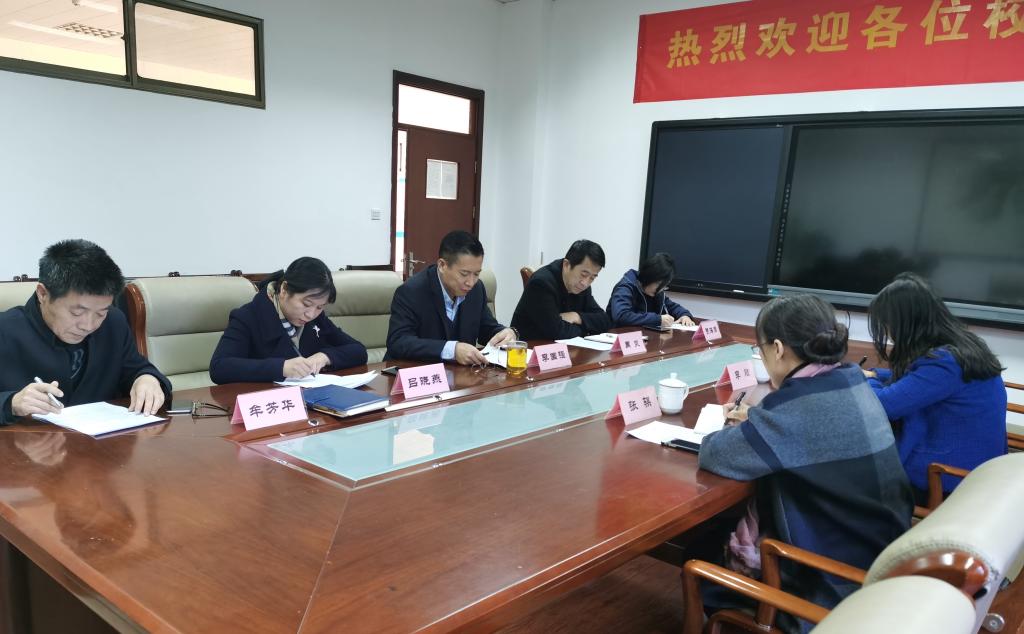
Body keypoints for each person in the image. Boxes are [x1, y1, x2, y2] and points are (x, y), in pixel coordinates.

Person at [698, 294, 912, 633]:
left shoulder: (796, 407)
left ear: (778, 349)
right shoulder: (852, 380)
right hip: (879, 559)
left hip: (833, 585)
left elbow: (715, 454)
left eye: (760, 348)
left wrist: (743, 425)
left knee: (699, 554)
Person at [864, 272, 1006, 499]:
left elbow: (882, 405)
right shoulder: (960, 346)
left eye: (887, 323)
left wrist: (863, 379)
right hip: (980, 465)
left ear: (905, 322)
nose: (887, 331)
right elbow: (920, 382)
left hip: (947, 475)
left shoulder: (945, 363)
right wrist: (876, 374)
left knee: (854, 476)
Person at [0, 239, 171, 424]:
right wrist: (11, 403)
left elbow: (136, 368)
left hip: (104, 438)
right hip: (29, 440)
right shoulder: (5, 330)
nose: (88, 326)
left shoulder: (114, 323)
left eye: (100, 313)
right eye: (77, 312)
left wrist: (146, 378)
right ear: (43, 294)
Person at [209, 257, 367, 383]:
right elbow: (219, 367)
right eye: (306, 304)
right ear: (284, 290)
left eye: (320, 307)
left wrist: (325, 357)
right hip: (268, 403)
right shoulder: (248, 316)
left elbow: (358, 351)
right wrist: (281, 367)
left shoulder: (317, 318)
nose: (311, 314)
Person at [385, 231, 516, 365]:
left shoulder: (476, 290)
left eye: (476, 274)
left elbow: (486, 328)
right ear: (442, 265)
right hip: (414, 372)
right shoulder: (412, 291)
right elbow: (398, 342)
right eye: (464, 274)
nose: (471, 282)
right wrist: (451, 350)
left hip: (460, 374)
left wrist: (506, 333)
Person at [511, 239, 612, 340]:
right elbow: (557, 332)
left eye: (592, 278)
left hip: (561, 346)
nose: (585, 283)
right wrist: (587, 329)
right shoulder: (541, 283)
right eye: (583, 274)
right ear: (566, 265)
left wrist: (577, 316)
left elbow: (605, 321)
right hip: (530, 346)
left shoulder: (582, 286)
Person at [606, 252, 695, 328]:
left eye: (664, 286)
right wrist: (657, 319)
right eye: (659, 284)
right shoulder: (625, 287)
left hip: (644, 337)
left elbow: (673, 307)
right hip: (620, 337)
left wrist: (684, 315)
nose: (661, 289)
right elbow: (621, 316)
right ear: (650, 276)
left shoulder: (657, 293)